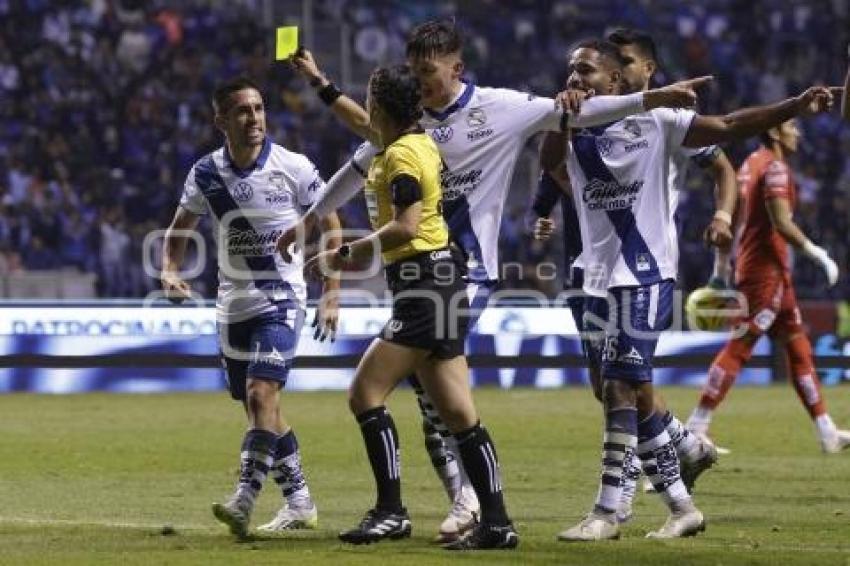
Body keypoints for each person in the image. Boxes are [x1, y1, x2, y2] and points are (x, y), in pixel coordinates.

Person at [283, 18, 704, 542]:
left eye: (428, 71)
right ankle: (497, 508)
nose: (420, 82)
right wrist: (307, 217)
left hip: (464, 274)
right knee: (446, 399)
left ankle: (453, 503)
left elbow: (573, 112)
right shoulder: (409, 127)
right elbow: (356, 158)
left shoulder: (500, 110)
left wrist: (651, 99)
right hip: (420, 275)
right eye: (413, 72)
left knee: (390, 389)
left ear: (456, 68)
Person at [553, 39, 835, 542]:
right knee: (626, 391)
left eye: (587, 70)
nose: (576, 78)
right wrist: (562, 116)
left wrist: (794, 105)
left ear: (616, 81)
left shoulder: (660, 120)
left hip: (644, 275)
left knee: (620, 386)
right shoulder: (569, 126)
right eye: (571, 71)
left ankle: (607, 512)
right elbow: (549, 161)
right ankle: (683, 495)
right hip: (592, 279)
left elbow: (727, 128)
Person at [299, 64, 518, 550]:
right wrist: (320, 81)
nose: (366, 104)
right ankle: (498, 523)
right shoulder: (413, 143)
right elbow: (360, 125)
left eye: (370, 96)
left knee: (364, 393)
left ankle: (391, 511)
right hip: (443, 280)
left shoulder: (399, 155)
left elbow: (407, 225)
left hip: (423, 286)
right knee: (460, 415)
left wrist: (343, 253)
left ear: (382, 105)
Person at [533, 28, 737, 521]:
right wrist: (543, 210)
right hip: (586, 259)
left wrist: (723, 215)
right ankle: (685, 447)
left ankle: (621, 490)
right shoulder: (584, 117)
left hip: (638, 255)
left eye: (623, 63)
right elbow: (552, 171)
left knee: (625, 381)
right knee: (608, 383)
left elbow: (723, 163)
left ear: (644, 71)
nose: (612, 72)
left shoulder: (659, 122)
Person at [161, 76, 342, 538]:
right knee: (260, 409)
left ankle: (242, 499)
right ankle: (300, 502)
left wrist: (332, 291)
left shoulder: (293, 166)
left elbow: (331, 220)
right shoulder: (205, 173)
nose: (254, 118)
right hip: (231, 306)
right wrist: (169, 269)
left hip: (281, 298)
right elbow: (180, 226)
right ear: (221, 120)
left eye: (259, 108)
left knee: (263, 395)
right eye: (242, 111)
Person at [684, 119, 849, 453]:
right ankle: (694, 428)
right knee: (740, 346)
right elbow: (782, 223)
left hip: (764, 269)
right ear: (775, 132)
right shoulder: (774, 169)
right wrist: (820, 255)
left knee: (798, 346)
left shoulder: (749, 164)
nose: (798, 133)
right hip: (765, 272)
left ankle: (827, 430)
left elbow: (730, 213)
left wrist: (720, 269)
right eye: (792, 126)